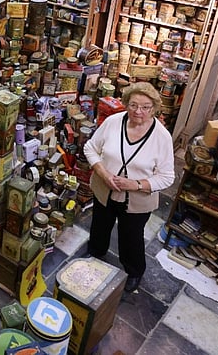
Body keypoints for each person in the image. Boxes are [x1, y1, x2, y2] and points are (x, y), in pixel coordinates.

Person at [83, 81, 175, 293]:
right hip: (104, 190)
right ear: (126, 103)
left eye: (145, 107)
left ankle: (134, 271)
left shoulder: (162, 137)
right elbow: (90, 148)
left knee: (131, 237)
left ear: (154, 108)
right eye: (133, 105)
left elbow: (166, 177)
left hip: (137, 201)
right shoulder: (113, 122)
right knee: (99, 226)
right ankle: (96, 252)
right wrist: (103, 173)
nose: (138, 111)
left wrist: (135, 184)